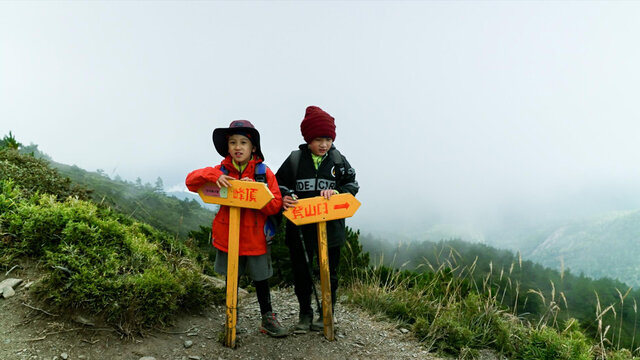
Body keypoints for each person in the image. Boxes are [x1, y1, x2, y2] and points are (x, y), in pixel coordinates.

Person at [185, 120, 288, 338]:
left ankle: (267, 317)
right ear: (228, 147)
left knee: (261, 279)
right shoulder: (221, 170)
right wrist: (215, 176)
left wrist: (256, 191)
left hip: (256, 237)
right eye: (233, 142)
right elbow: (191, 182)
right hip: (227, 236)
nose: (237, 147)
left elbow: (275, 206)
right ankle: (232, 318)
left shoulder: (263, 172)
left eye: (243, 142)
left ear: (253, 148)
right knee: (232, 278)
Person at [276, 106, 359, 333]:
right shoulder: (295, 160)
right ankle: (305, 314)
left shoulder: (338, 160)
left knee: (329, 273)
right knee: (301, 273)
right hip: (300, 229)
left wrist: (338, 193)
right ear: (308, 138)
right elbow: (278, 184)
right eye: (318, 139)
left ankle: (326, 314)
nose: (324, 144)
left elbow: (352, 185)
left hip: (331, 230)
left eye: (328, 139)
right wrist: (286, 195)